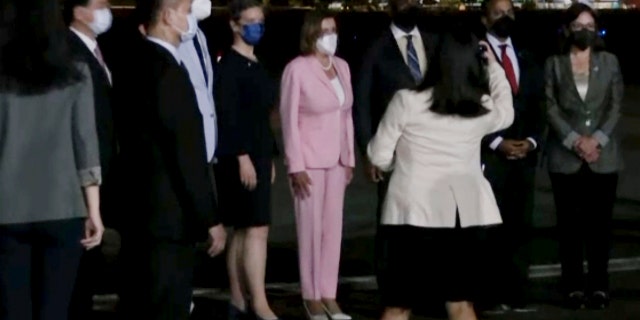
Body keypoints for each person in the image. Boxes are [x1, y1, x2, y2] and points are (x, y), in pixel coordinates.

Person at [367, 31, 514, 320]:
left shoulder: (407, 101)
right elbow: (506, 112)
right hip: (464, 214)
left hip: (412, 215)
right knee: (461, 304)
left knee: (398, 304)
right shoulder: (481, 106)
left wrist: (400, 163)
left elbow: (378, 156)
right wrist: (494, 67)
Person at [114, 0, 226, 319]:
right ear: (167, 16)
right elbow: (186, 152)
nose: (189, 17)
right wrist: (209, 217)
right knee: (168, 304)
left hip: (139, 213)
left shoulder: (131, 63)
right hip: (169, 218)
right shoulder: (169, 71)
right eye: (185, 10)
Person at [0, 0, 104, 319]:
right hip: (63, 205)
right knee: (56, 311)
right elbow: (86, 143)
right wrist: (94, 211)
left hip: (7, 208)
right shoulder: (76, 72)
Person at [545, 3, 623, 310]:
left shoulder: (610, 61)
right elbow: (549, 106)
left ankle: (600, 287)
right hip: (565, 156)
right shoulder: (554, 63)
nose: (585, 31)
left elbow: (615, 105)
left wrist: (597, 141)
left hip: (603, 157)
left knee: (600, 227)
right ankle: (574, 287)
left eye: (590, 26)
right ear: (567, 29)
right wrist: (575, 140)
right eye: (579, 25)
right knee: (569, 227)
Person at [353, 0, 436, 288]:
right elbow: (362, 102)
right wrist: (369, 150)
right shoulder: (375, 47)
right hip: (392, 149)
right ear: (391, 7)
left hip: (432, 148)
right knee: (392, 220)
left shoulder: (433, 42)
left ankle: (424, 283)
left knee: (430, 219)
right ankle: (391, 286)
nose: (410, 4)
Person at [280, 10, 355, 320]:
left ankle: (329, 294)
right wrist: (295, 164)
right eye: (324, 30)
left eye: (333, 29)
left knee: (332, 229)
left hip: (337, 161)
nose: (330, 35)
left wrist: (349, 157)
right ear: (311, 34)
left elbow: (346, 114)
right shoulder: (297, 70)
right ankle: (310, 296)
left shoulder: (342, 67)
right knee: (310, 230)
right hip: (309, 163)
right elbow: (289, 120)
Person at [478, 0, 545, 314]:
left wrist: (531, 141)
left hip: (525, 156)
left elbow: (538, 105)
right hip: (490, 155)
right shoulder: (475, 55)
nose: (505, 17)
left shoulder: (528, 54)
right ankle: (489, 295)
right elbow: (468, 104)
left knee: (520, 225)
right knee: (490, 228)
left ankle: (517, 293)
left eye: (509, 12)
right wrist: (496, 142)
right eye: (497, 13)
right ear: (484, 19)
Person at [214, 0, 278, 319]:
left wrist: (270, 158)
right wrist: (242, 157)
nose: (257, 26)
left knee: (244, 229)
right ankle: (259, 302)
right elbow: (227, 116)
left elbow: (262, 116)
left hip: (260, 152)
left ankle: (238, 300)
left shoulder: (258, 63)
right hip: (240, 156)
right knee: (254, 228)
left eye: (260, 20)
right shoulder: (228, 66)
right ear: (235, 25)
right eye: (250, 21)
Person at [63, 0, 118, 318]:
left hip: (98, 173)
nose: (106, 10)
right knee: (77, 273)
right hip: (80, 179)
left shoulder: (96, 51)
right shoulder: (70, 53)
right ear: (78, 10)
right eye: (99, 4)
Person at [176, 0, 215, 314]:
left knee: (188, 238)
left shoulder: (198, 35)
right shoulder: (174, 44)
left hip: (204, 149)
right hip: (186, 150)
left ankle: (183, 293)